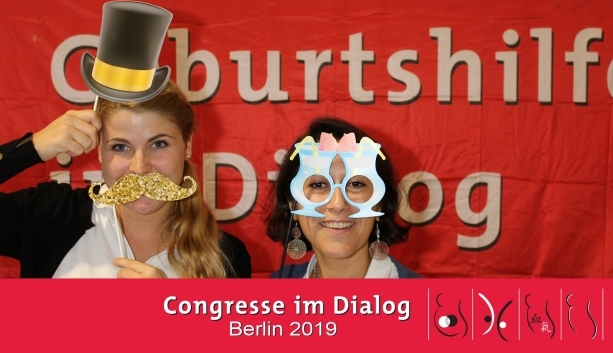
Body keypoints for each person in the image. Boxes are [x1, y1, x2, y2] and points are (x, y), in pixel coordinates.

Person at [0, 80, 251, 278]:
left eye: (159, 144)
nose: (140, 168)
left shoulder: (226, 257)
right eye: (120, 147)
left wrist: (171, 311)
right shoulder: (51, 215)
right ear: (99, 150)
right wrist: (32, 147)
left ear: (187, 145)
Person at [264, 117, 419, 278]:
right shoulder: (274, 286)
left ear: (379, 202)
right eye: (318, 184)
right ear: (292, 203)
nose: (338, 204)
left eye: (356, 184)